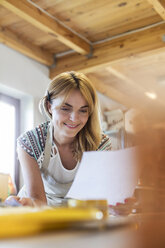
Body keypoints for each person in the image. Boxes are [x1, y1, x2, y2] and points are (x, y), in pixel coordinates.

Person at [6, 71, 135, 214]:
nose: (74, 118)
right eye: (65, 108)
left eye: (83, 110)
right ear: (49, 106)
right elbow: (38, 201)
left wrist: (117, 207)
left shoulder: (100, 144)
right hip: (38, 209)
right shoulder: (31, 142)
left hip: (77, 213)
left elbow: (101, 198)